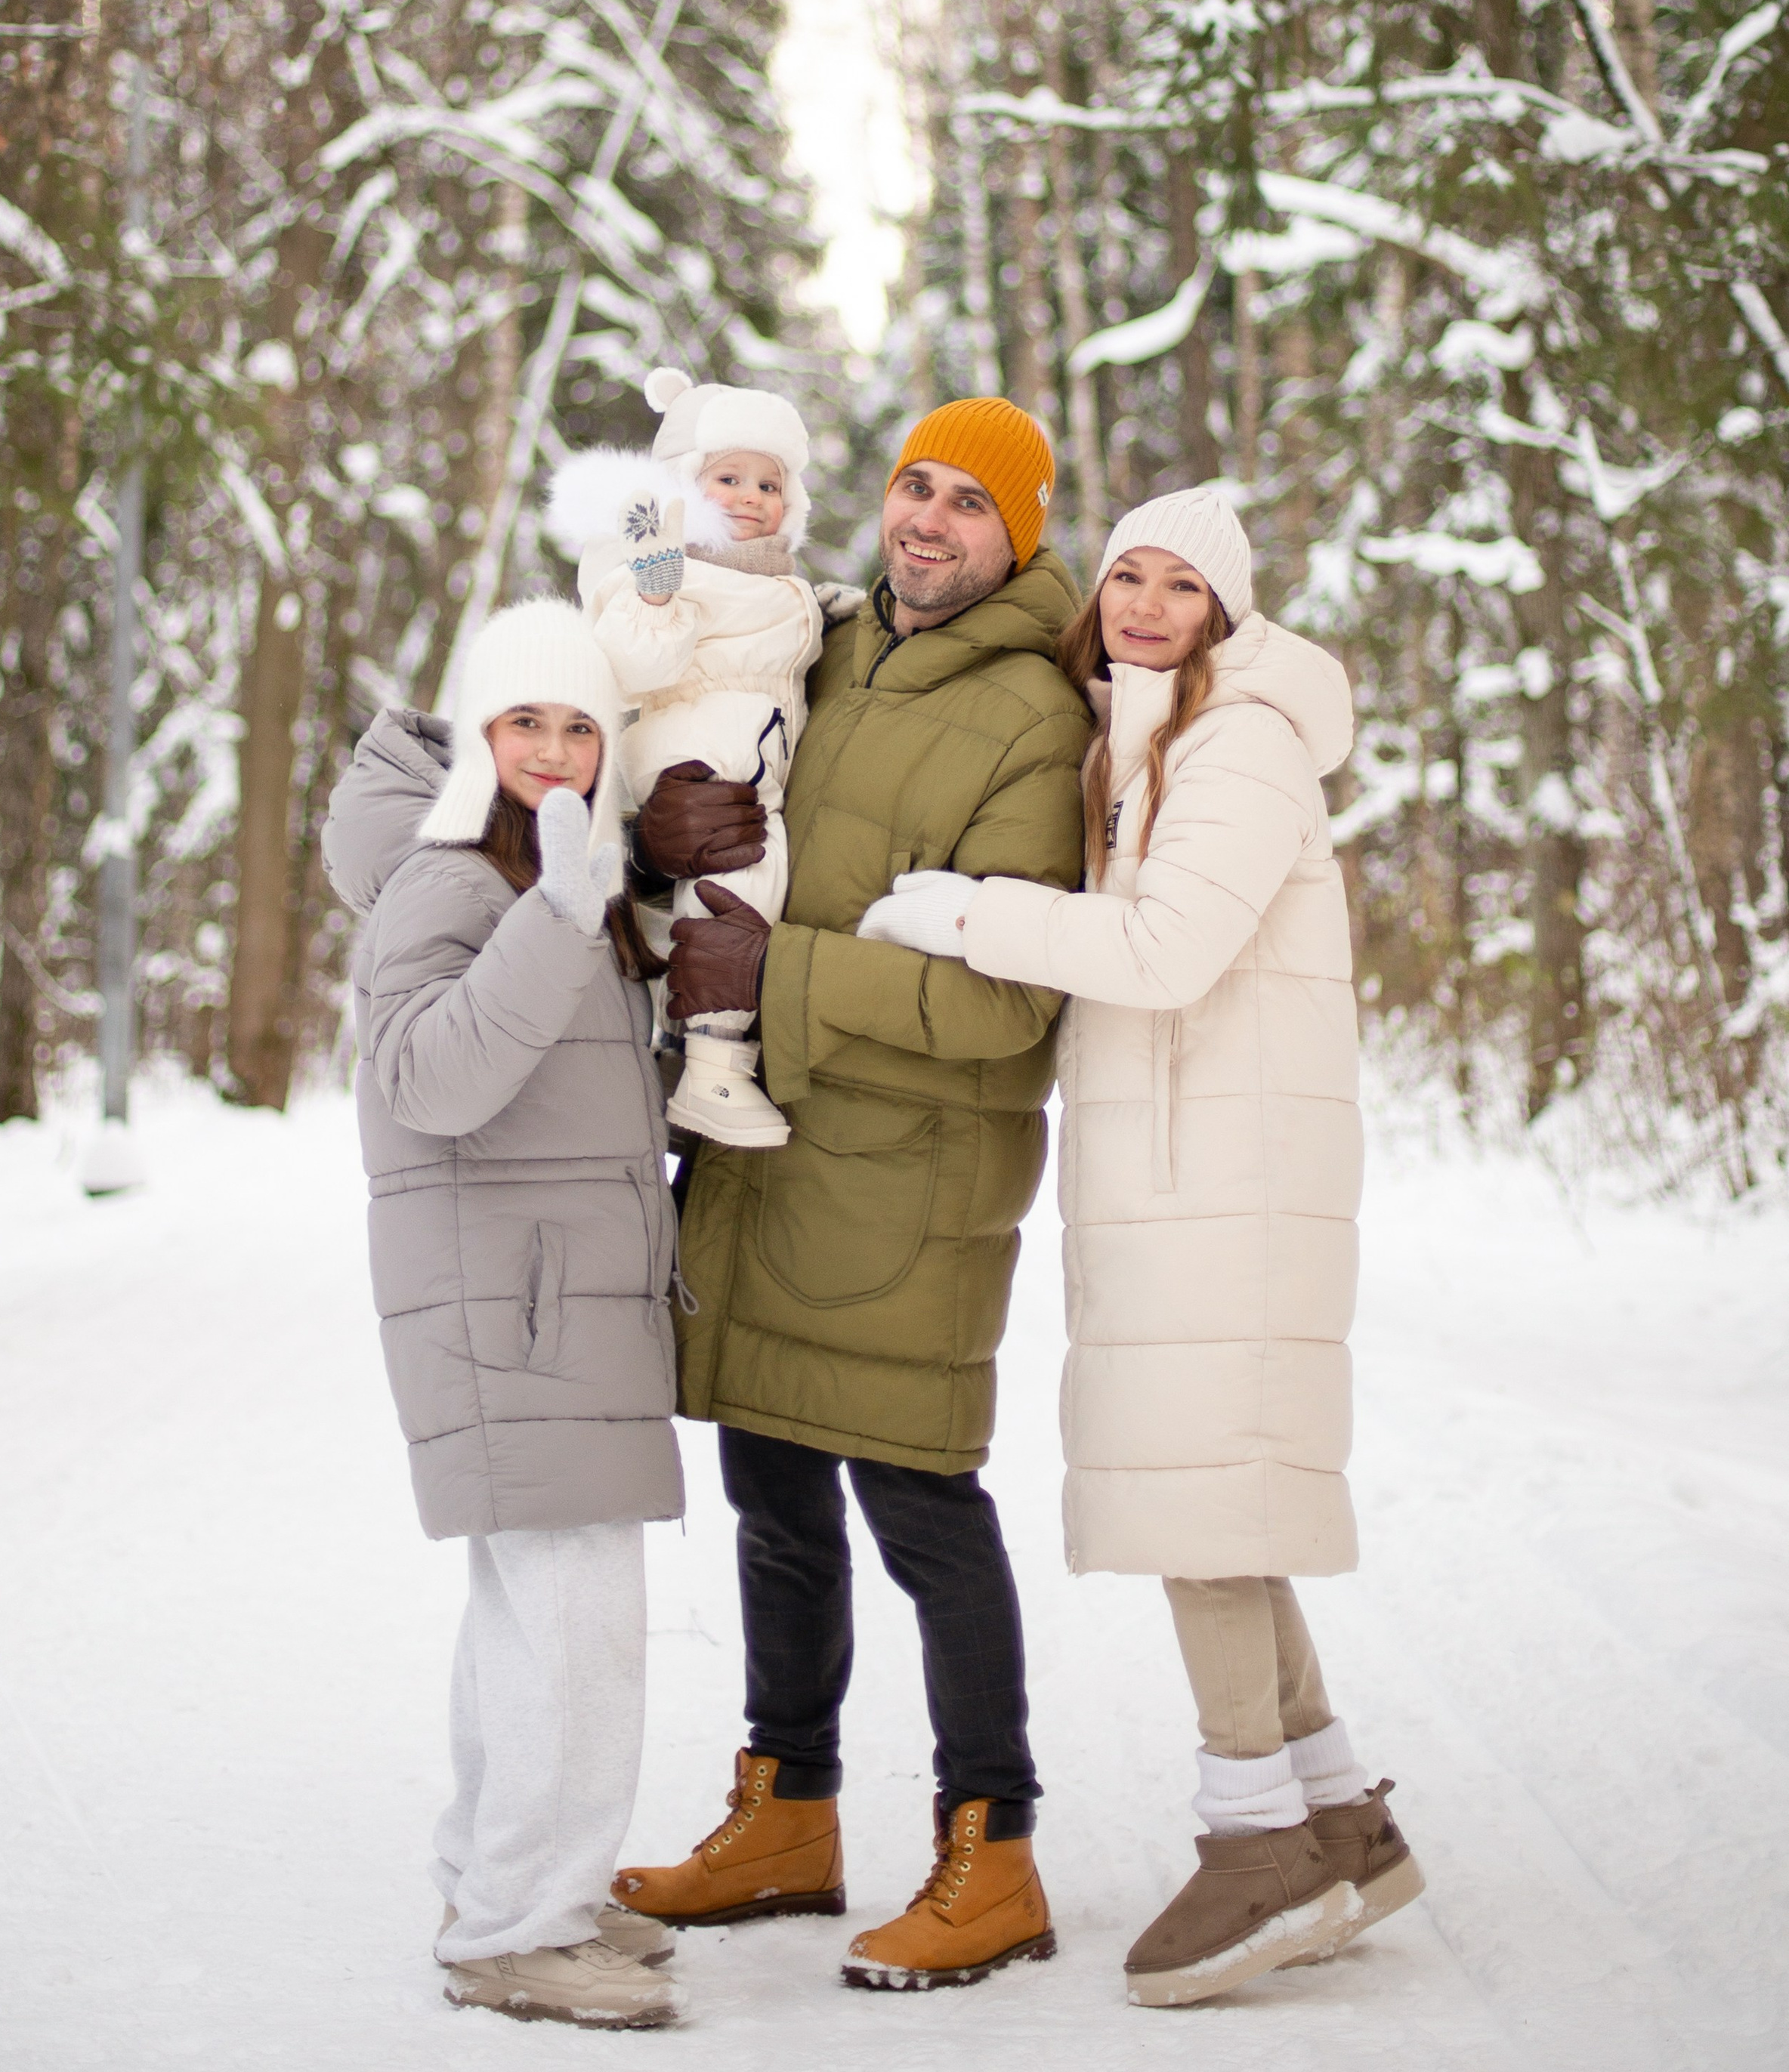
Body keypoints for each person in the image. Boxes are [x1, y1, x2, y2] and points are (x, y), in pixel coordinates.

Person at [859, 488, 1424, 2007]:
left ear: (1225, 614)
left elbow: (1165, 952)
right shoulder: (1147, 736)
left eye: (1183, 584)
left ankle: (1252, 1839)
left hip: (1224, 1192)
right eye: (1127, 572)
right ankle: (1339, 1819)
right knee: (1215, 1502)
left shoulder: (1235, 747)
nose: (1147, 601)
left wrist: (973, 914)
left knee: (1197, 1519)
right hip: (1185, 1184)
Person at [610, 399, 1091, 1992]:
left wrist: (776, 971)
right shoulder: (819, 643)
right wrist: (661, 837)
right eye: (912, 486)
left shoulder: (1032, 714)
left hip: (906, 1166)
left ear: (1017, 537)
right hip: (766, 1139)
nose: (927, 522)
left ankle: (994, 1850)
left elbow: (1003, 997)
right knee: (771, 1496)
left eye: (968, 503)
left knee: (913, 1500)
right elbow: (702, 752)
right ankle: (786, 1813)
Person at [321, 601, 688, 2031]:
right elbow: (428, 1080)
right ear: (475, 734)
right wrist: (557, 913)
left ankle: (506, 1886)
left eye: (580, 725)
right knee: (580, 1625)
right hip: (517, 1309)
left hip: (552, 1302)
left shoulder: (558, 864)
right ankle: (519, 1930)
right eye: (523, 721)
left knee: (529, 1618)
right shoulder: (457, 880)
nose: (552, 749)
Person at [545, 366, 827, 1150]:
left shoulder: (781, 583)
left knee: (725, 894)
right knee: (743, 881)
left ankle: (687, 1046)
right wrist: (658, 595)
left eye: (769, 483)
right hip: (694, 758)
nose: (749, 495)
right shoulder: (665, 572)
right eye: (726, 477)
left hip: (737, 755)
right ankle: (713, 1061)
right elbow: (632, 662)